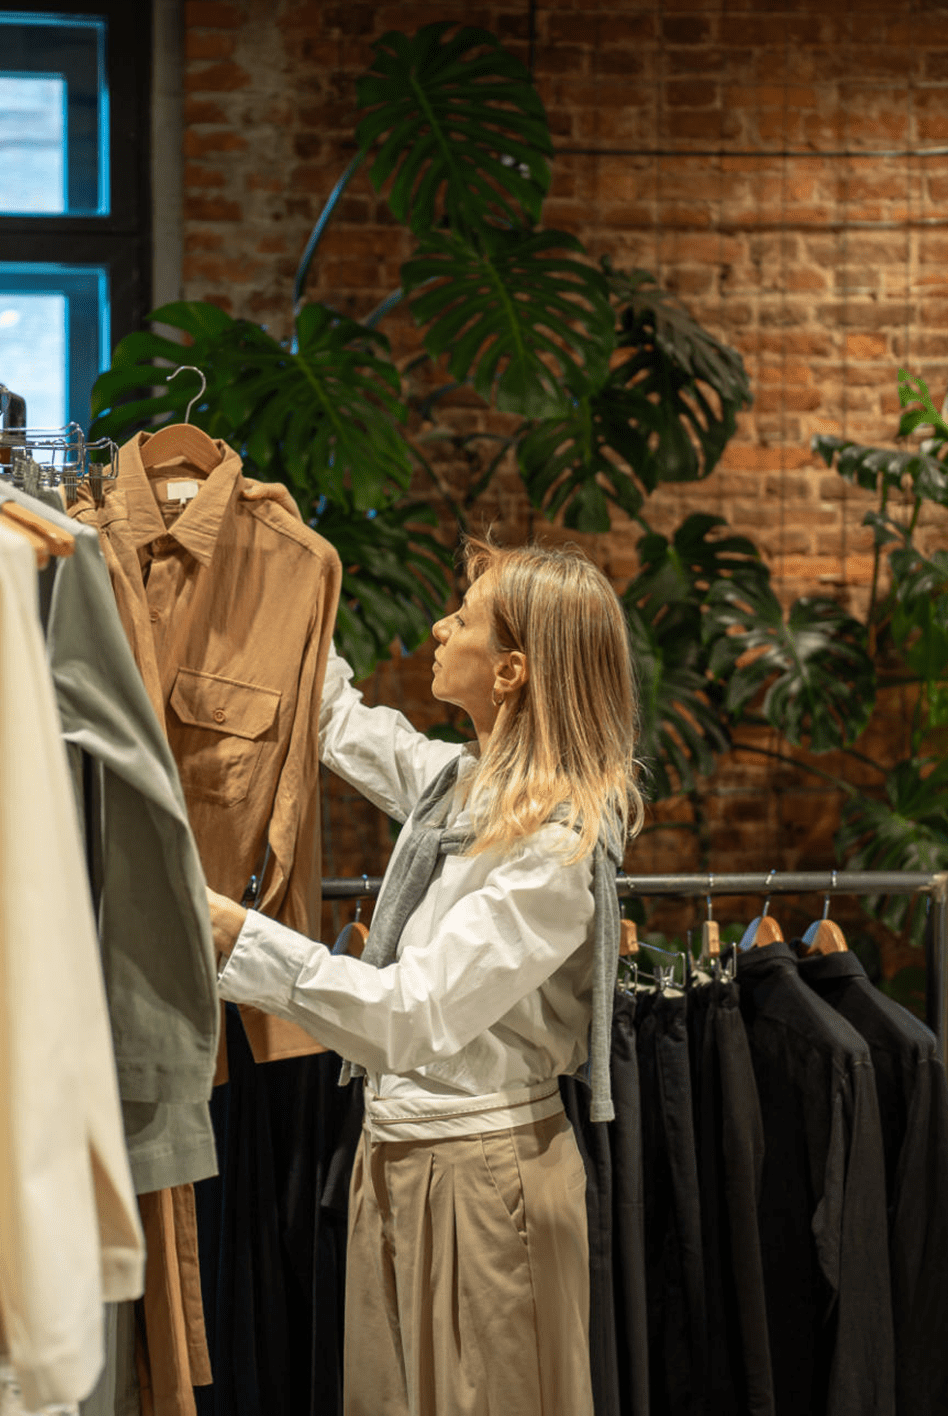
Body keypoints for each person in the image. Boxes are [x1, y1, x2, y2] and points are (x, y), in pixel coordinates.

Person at [207, 530, 642, 1416]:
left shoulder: (555, 851)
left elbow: (409, 1017)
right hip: (403, 1156)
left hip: (485, 1175)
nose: (440, 629)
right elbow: (334, 719)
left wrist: (235, 938)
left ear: (512, 671)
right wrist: (271, 560)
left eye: (465, 618)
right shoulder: (464, 789)